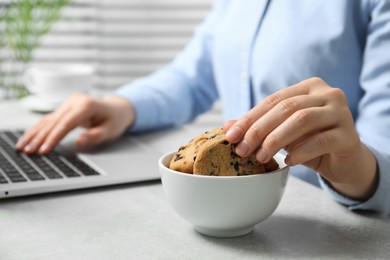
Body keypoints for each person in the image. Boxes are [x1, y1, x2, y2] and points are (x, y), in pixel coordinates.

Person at [15, 0, 390, 216]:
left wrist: (353, 168)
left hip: (325, 217)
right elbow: (191, 76)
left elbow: (383, 152)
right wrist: (120, 106)